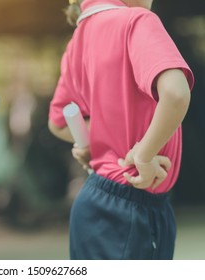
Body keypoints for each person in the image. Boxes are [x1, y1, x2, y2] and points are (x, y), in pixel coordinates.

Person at [48, 0, 194, 259]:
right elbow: (176, 93)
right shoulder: (137, 21)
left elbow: (58, 121)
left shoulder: (78, 39)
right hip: (132, 209)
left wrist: (94, 140)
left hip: (95, 203)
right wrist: (144, 155)